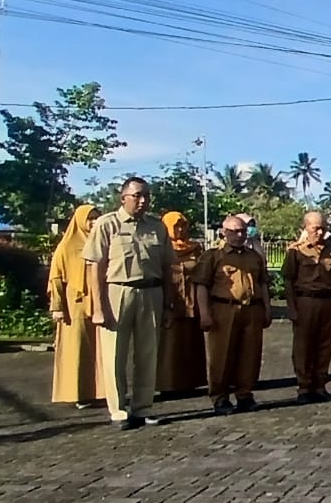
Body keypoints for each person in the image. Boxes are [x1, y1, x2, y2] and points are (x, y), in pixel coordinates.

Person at [84, 177, 175, 431]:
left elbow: (168, 267)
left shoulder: (157, 227)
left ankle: (142, 407)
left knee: (148, 354)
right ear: (123, 197)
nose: (143, 201)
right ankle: (118, 410)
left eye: (146, 196)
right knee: (115, 354)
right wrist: (98, 307)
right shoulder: (107, 224)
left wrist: (169, 304)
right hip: (118, 292)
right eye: (137, 196)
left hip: (152, 292)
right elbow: (95, 267)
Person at [193, 215, 272, 414]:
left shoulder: (254, 257)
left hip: (252, 309)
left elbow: (263, 284)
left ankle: (245, 394)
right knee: (222, 354)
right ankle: (220, 397)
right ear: (224, 232)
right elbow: (201, 285)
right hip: (224, 309)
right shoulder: (213, 256)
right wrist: (204, 313)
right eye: (235, 231)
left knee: (250, 354)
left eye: (243, 231)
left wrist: (267, 309)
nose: (240, 235)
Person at [282, 211, 331, 403]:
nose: (320, 232)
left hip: (328, 301)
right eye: (315, 228)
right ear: (305, 228)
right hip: (306, 301)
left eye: (323, 228)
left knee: (325, 345)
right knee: (303, 345)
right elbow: (288, 281)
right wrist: (291, 308)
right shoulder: (296, 251)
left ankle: (320, 385)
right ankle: (304, 387)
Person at [48, 204, 104, 407]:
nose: (94, 222)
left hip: (99, 303)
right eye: (90, 218)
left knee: (100, 349)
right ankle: (79, 393)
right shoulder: (67, 246)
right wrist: (57, 306)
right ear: (80, 220)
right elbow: (56, 278)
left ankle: (101, 392)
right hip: (76, 305)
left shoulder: (101, 243)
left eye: (97, 218)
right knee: (78, 349)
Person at [157, 211, 207, 397]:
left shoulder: (195, 248)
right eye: (176, 226)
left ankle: (191, 382)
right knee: (168, 345)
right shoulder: (160, 248)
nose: (180, 230)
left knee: (190, 343)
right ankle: (168, 385)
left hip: (192, 302)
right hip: (170, 301)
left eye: (183, 225)